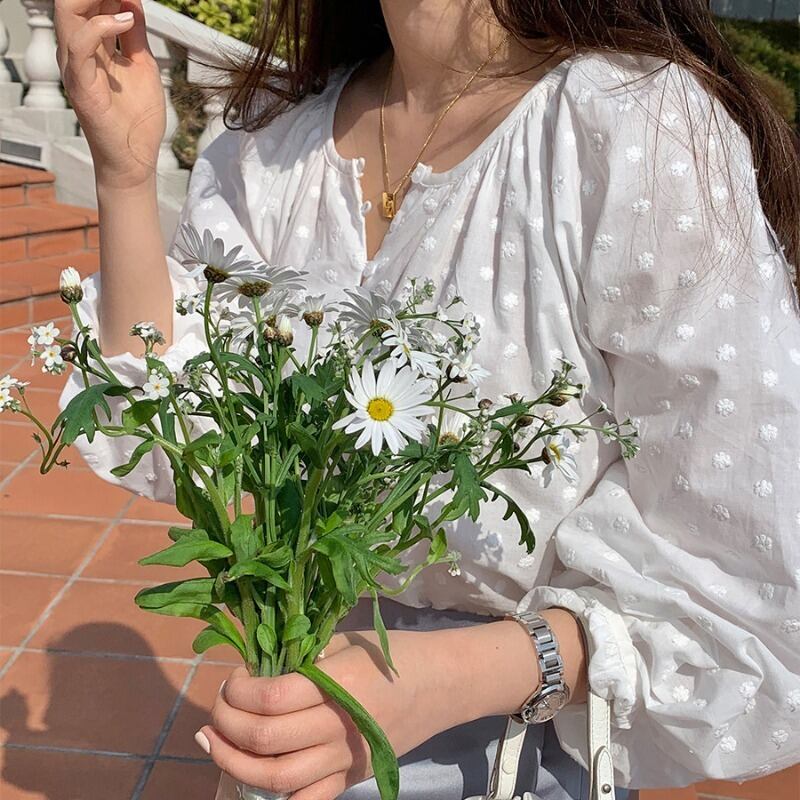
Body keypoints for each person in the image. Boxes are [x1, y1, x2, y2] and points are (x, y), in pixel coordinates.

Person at [53, 0, 800, 798]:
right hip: (299, 727)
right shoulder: (276, 145)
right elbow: (184, 428)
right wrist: (124, 174)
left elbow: (737, 560)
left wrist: (438, 680)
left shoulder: (630, 124)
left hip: (520, 751)